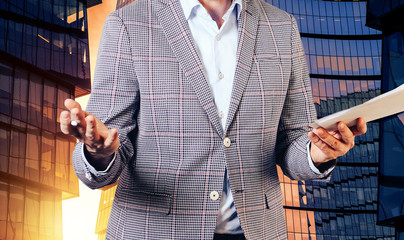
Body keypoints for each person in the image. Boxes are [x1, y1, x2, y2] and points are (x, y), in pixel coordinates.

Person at [60, 0, 367, 239]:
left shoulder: (282, 27)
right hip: (154, 230)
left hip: (257, 232)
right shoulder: (129, 24)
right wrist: (99, 152)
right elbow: (109, 143)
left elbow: (293, 139)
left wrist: (318, 152)